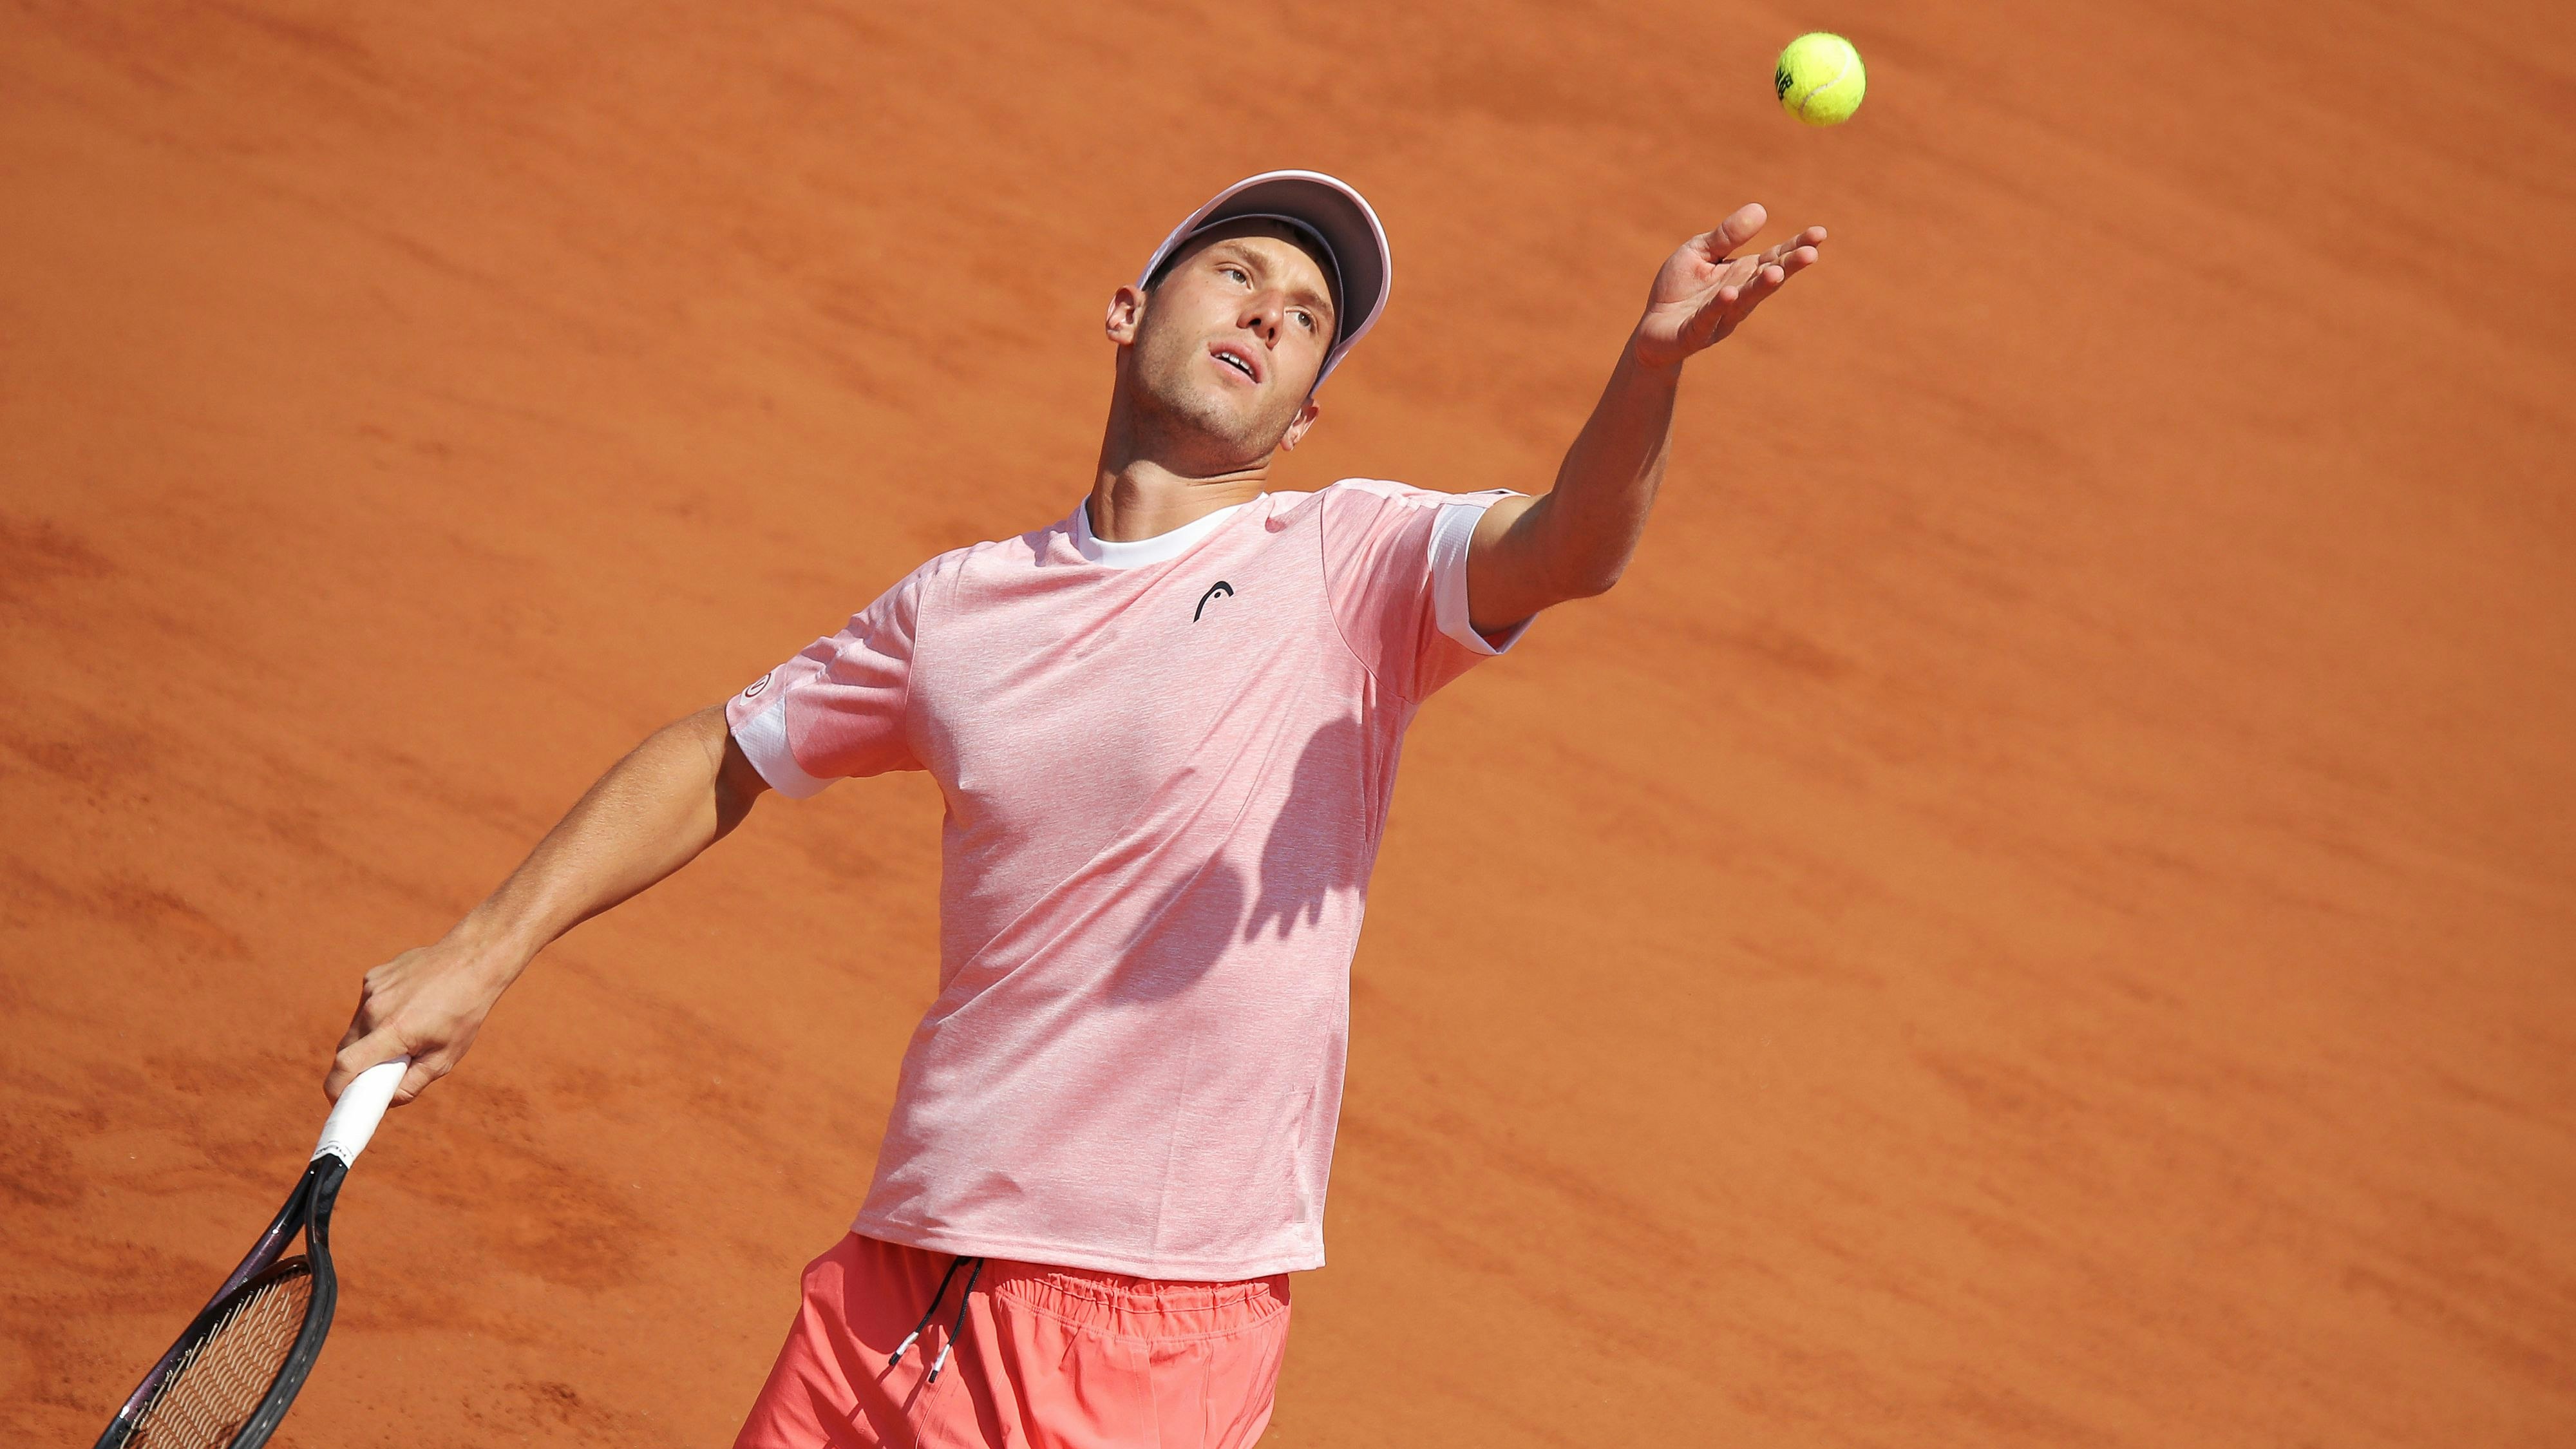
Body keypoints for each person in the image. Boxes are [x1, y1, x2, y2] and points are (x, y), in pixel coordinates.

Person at [324, 170, 1826, 1448]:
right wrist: (483, 950)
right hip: (893, 1278)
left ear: (1305, 417)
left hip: (1143, 1333)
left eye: (1307, 320)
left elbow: (1567, 548)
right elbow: (724, 749)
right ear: (1127, 311)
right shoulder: (957, 609)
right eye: (1237, 274)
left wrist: (1650, 371)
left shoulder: (1345, 563)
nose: (1268, 314)